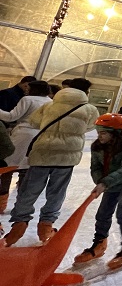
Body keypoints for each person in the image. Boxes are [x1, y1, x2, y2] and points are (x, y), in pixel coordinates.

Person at [4, 83, 99, 246]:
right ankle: (46, 225)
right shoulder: (89, 109)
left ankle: (19, 223)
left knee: (30, 189)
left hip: (43, 152)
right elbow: (90, 126)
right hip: (67, 156)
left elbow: (35, 122)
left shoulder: (49, 105)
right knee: (57, 191)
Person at [73, 113, 122, 269]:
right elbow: (95, 167)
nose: (100, 136)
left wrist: (105, 184)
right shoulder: (97, 146)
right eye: (99, 132)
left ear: (116, 134)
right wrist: (100, 181)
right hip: (111, 181)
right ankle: (99, 244)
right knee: (103, 213)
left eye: (104, 132)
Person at [0, 80, 52, 214]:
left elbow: (12, 116)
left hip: (23, 134)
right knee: (26, 172)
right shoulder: (51, 102)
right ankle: (21, 207)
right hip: (40, 136)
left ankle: (1, 203)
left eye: (29, 88)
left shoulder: (28, 99)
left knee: (8, 168)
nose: (26, 90)